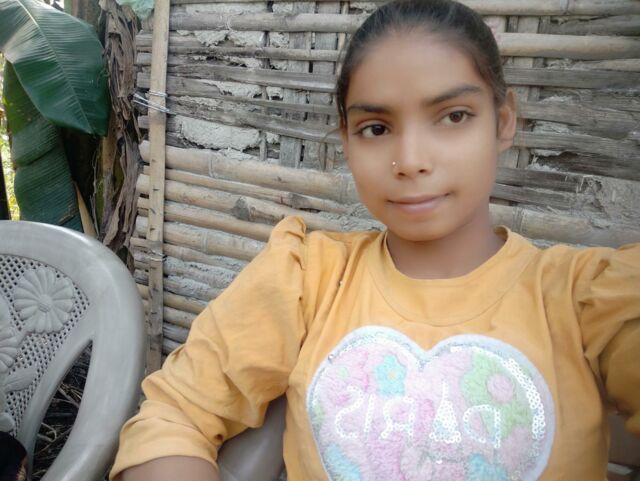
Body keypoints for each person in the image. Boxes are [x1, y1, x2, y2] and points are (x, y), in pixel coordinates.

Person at [110, 1, 640, 480]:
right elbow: (173, 417)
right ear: (346, 139)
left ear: (503, 122)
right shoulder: (306, 281)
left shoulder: (590, 300)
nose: (410, 161)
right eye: (376, 128)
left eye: (453, 117)